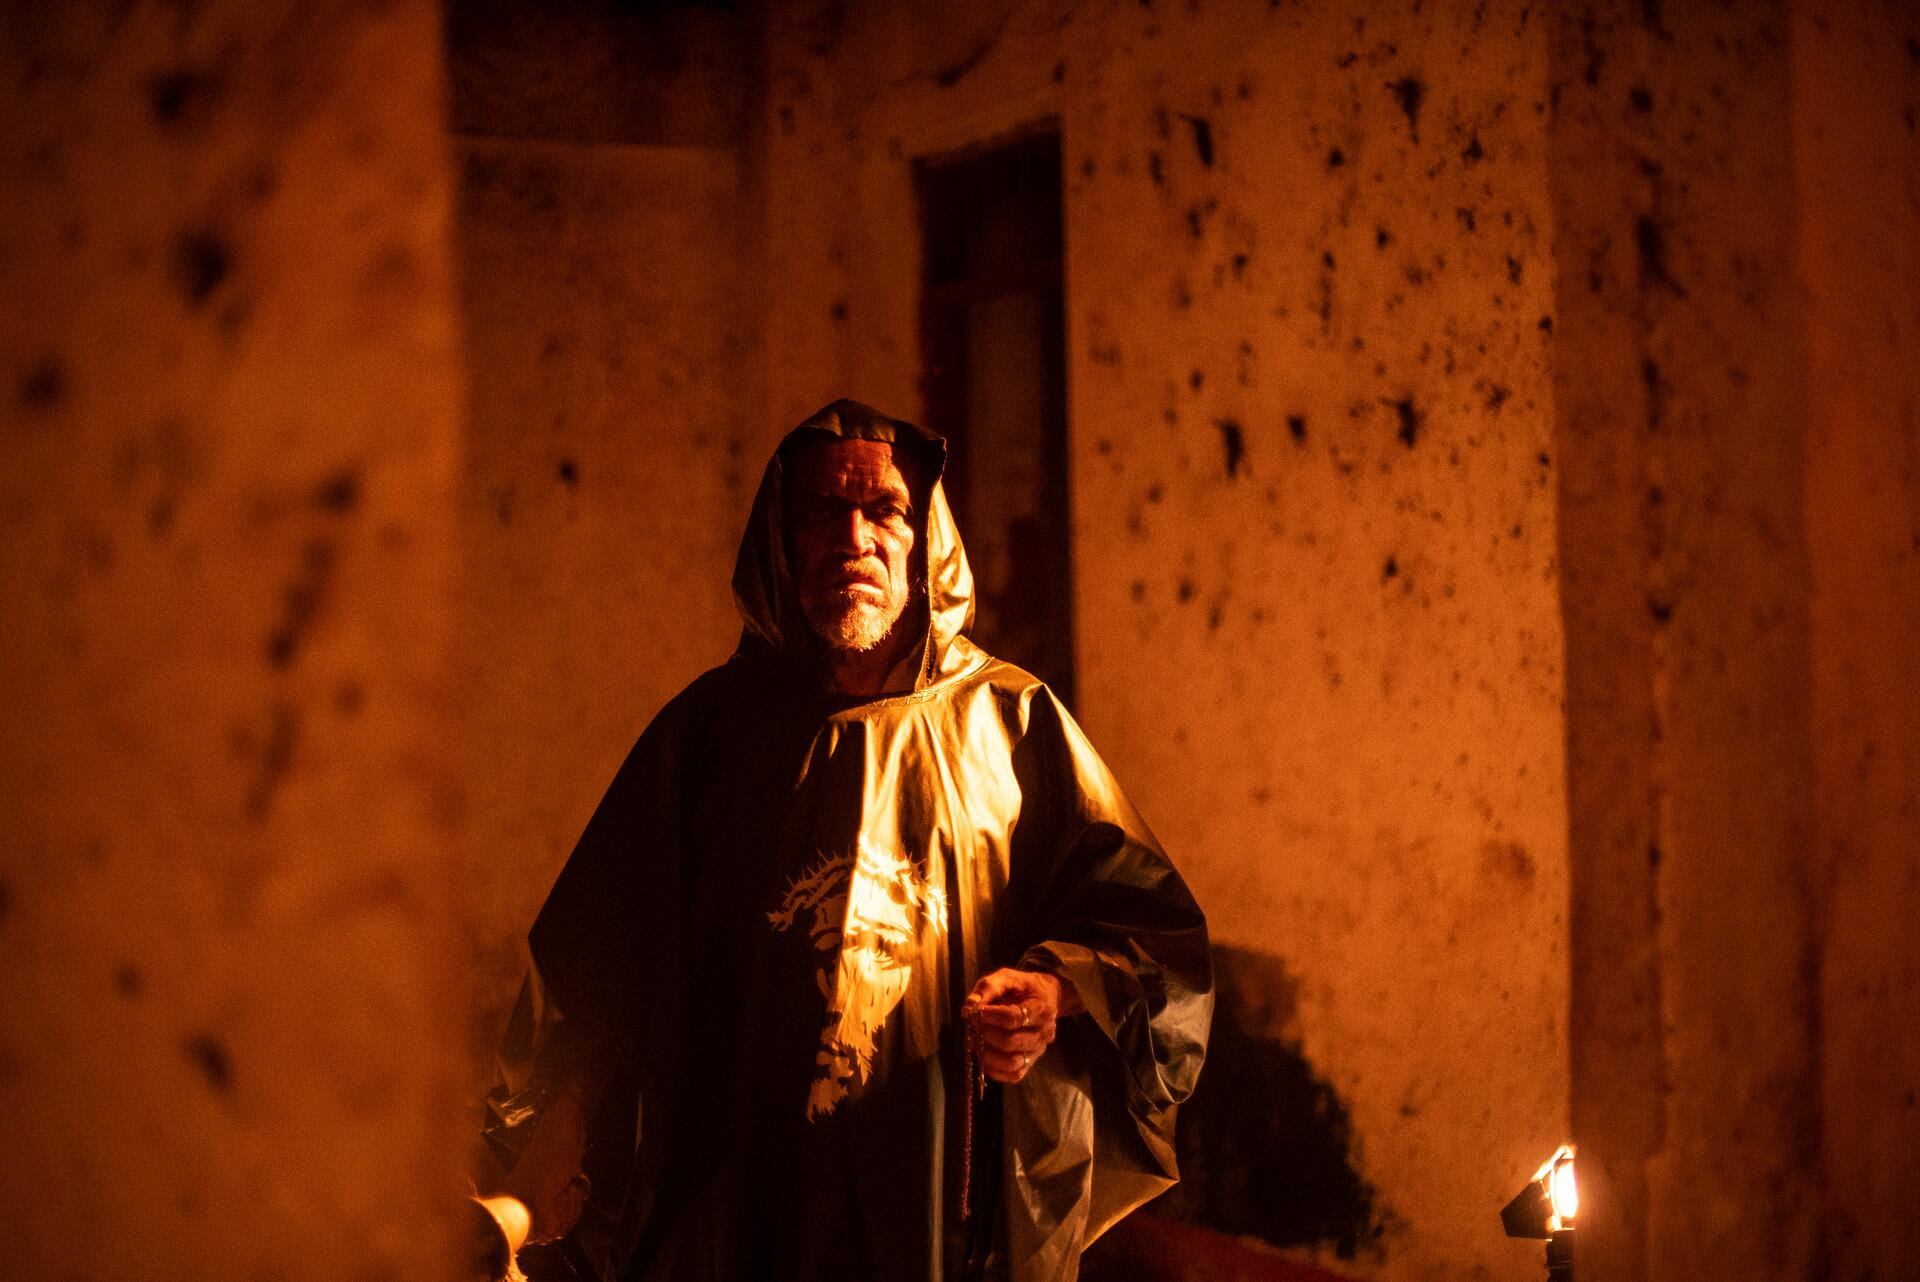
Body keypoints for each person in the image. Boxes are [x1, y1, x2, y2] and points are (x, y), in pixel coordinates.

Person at [478, 400, 1212, 1282]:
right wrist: (540, 1158)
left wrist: (1052, 992)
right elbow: (589, 975)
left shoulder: (1013, 726)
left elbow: (1152, 935)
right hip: (737, 1216)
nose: (854, 537)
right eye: (823, 510)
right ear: (780, 545)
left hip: (944, 1209)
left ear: (925, 538)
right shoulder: (705, 738)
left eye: (884, 511)